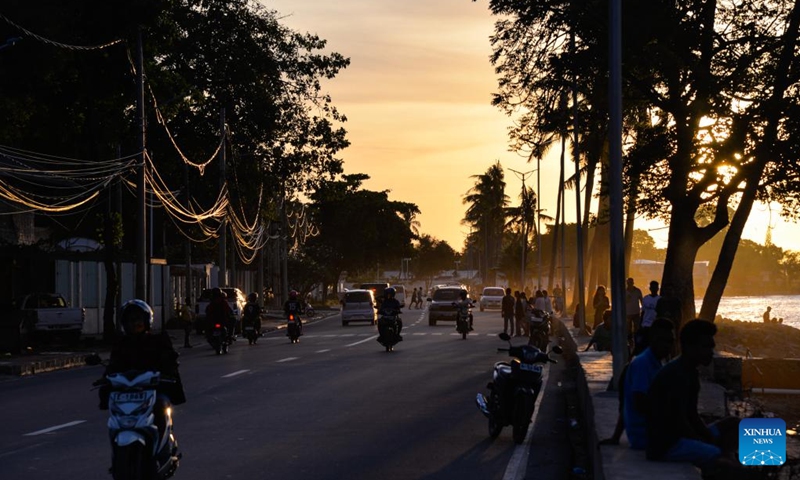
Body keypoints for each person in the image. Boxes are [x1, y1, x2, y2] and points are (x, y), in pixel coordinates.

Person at [645, 319, 740, 472]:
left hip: (680, 436)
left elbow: (692, 415)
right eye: (706, 347)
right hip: (668, 444)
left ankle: (732, 457)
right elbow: (679, 422)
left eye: (711, 347)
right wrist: (704, 442)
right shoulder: (676, 375)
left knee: (734, 423)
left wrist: (707, 436)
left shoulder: (690, 372)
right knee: (722, 461)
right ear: (689, 347)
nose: (711, 352)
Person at [99, 299, 187, 413]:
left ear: (146, 321)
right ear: (125, 323)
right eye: (130, 320)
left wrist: (166, 370)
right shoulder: (121, 344)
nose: (135, 324)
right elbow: (113, 366)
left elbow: (169, 361)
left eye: (138, 319)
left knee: (161, 405)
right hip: (126, 392)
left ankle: (161, 429)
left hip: (153, 389)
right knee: (113, 405)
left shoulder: (158, 341)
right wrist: (106, 379)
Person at [622, 318, 675, 449]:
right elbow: (639, 402)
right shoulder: (643, 363)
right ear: (652, 339)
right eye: (662, 341)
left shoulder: (657, 363)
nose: (667, 346)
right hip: (646, 436)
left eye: (670, 342)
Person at [635, 281, 661, 355]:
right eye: (652, 287)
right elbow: (643, 312)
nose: (654, 289)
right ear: (650, 288)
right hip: (645, 324)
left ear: (658, 289)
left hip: (655, 325)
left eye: (655, 287)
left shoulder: (660, 299)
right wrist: (640, 324)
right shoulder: (645, 299)